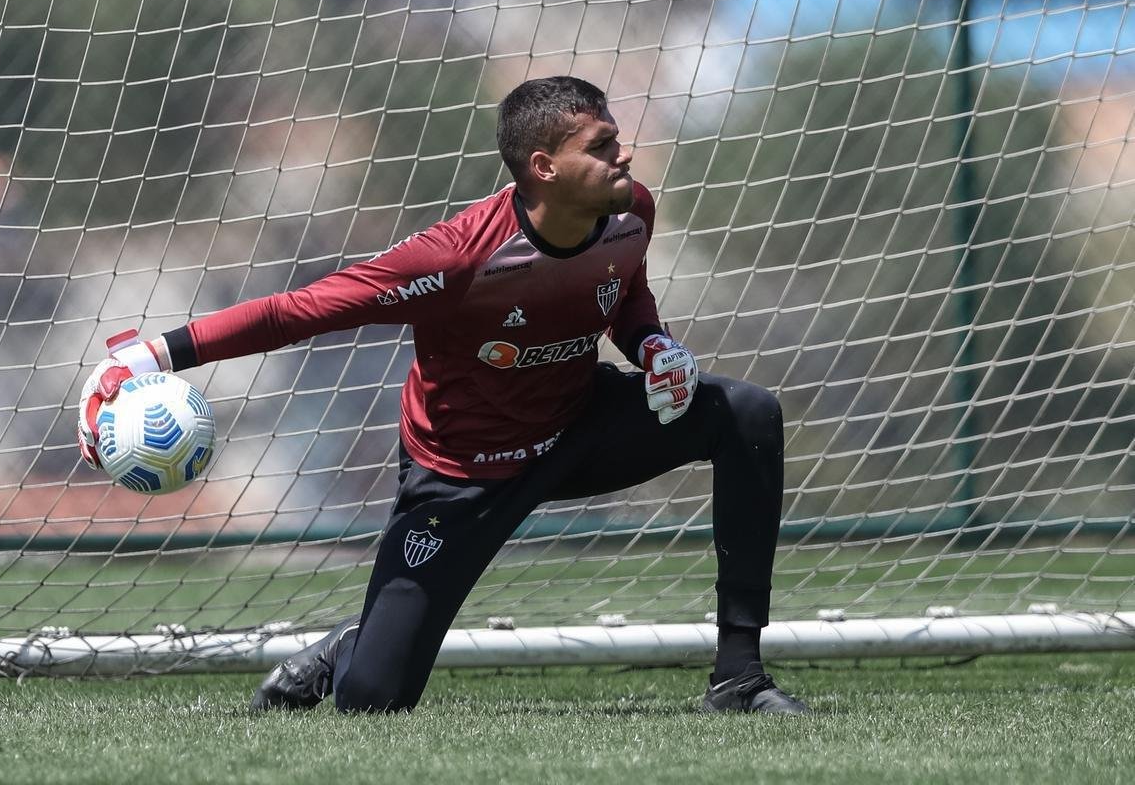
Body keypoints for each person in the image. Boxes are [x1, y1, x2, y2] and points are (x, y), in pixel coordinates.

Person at [77, 76, 809, 715]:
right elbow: (296, 311)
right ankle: (351, 649)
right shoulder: (456, 258)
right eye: (602, 143)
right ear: (543, 167)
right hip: (462, 477)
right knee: (373, 700)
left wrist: (652, 345)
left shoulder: (630, 210)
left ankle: (738, 677)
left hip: (580, 425)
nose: (622, 153)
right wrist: (146, 355)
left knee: (746, 413)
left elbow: (624, 294)